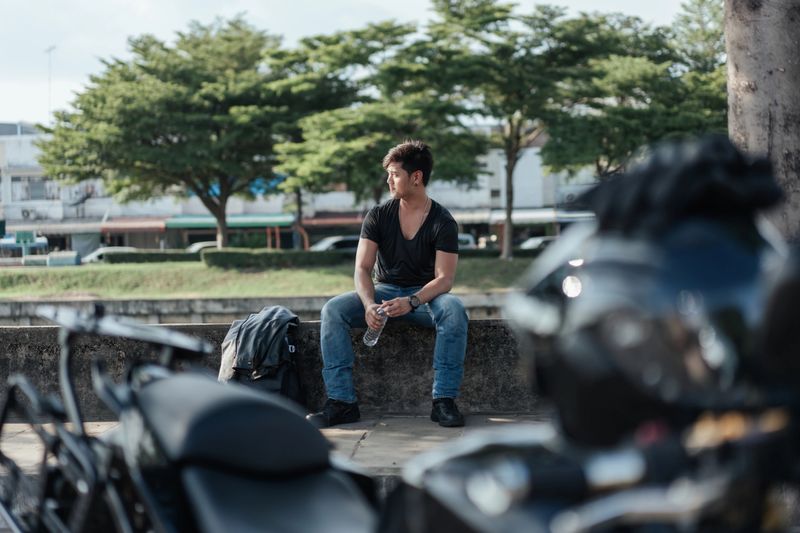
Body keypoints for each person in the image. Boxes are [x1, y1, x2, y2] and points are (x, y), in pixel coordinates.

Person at [306, 140, 469, 429]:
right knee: (333, 310)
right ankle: (342, 403)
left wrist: (413, 301)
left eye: (394, 173)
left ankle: (443, 401)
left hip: (425, 297)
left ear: (416, 177)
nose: (388, 180)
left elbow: (445, 279)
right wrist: (369, 304)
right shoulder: (379, 215)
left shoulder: (443, 221)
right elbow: (362, 268)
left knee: (454, 310)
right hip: (384, 292)